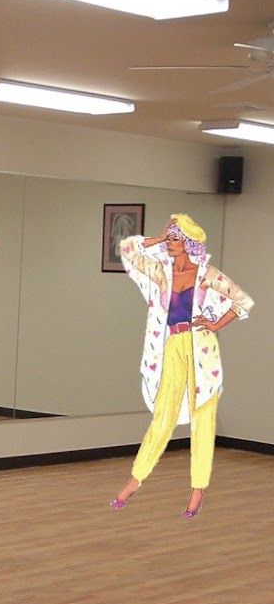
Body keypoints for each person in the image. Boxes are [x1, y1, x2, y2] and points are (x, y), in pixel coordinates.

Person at [109, 214, 253, 518]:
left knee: (204, 416)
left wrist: (215, 324)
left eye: (175, 238)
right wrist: (160, 238)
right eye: (170, 238)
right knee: (164, 415)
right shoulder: (161, 272)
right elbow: (128, 250)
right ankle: (136, 478)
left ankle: (198, 488)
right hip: (172, 345)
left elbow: (243, 301)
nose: (170, 243)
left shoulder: (207, 275)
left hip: (202, 348)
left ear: (189, 243)